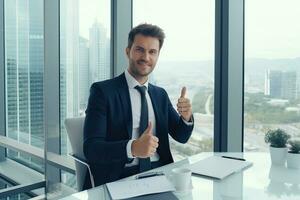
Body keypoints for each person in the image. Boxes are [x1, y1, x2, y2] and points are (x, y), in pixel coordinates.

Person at [83, 23, 194, 189]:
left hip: (161, 173)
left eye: (152, 52)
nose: (146, 57)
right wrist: (133, 148)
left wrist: (186, 117)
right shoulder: (103, 92)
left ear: (157, 56)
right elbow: (91, 149)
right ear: (128, 51)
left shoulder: (160, 95)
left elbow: (181, 136)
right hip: (119, 178)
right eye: (140, 49)